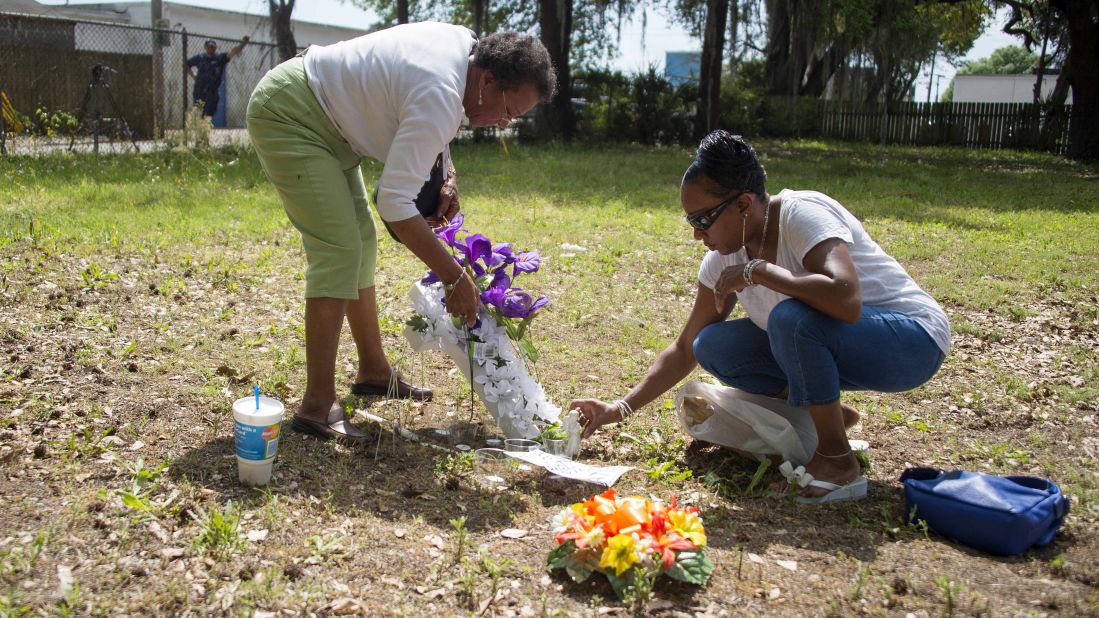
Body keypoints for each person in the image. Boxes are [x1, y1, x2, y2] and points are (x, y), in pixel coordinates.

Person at [570, 131, 950, 504]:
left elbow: (846, 299)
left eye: (703, 219)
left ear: (743, 204)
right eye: (691, 222)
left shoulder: (802, 214)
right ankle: (826, 418)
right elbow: (686, 347)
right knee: (713, 345)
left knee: (791, 318)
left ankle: (837, 460)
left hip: (911, 341)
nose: (697, 235)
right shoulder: (723, 256)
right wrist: (618, 408)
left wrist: (762, 271)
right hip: (840, 345)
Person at [246, 23, 556, 445]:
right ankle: (317, 404)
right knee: (339, 248)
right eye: (508, 110)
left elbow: (429, 115)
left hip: (329, 124)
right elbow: (394, 205)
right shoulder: (443, 95)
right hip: (292, 114)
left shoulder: (468, 47)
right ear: (487, 79)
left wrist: (447, 172)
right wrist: (454, 276)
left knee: (361, 242)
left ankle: (373, 370)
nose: (503, 123)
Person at [187, 37, 250, 118]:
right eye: (209, 46)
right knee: (198, 112)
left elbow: (233, 52)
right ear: (205, 47)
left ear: (215, 48)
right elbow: (186, 64)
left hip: (212, 91)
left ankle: (206, 128)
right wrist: (193, 75)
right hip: (200, 90)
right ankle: (199, 128)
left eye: (212, 47)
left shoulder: (219, 58)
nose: (211, 48)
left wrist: (242, 44)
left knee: (210, 114)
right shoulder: (199, 58)